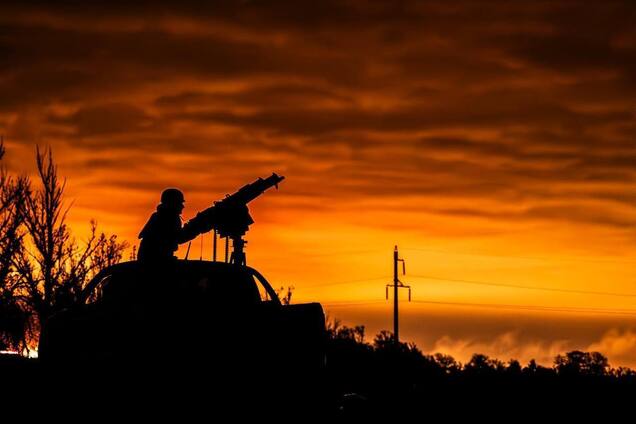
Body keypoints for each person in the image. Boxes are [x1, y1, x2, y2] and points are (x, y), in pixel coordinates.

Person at [137, 188, 201, 262]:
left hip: (152, 257)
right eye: (180, 203)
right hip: (155, 259)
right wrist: (196, 227)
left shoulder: (158, 216)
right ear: (173, 203)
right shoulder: (169, 218)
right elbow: (179, 238)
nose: (182, 206)